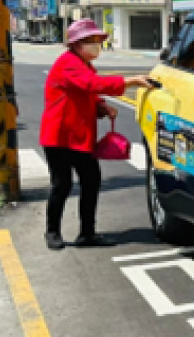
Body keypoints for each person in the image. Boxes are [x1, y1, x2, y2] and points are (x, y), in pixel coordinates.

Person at [39, 19, 153, 250]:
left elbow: (86, 92)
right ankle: (52, 231)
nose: (96, 46)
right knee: (61, 184)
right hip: (59, 136)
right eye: (90, 42)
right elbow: (92, 85)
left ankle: (87, 233)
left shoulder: (83, 63)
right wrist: (130, 81)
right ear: (76, 44)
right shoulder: (68, 63)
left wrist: (101, 106)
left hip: (79, 135)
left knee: (91, 181)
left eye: (98, 41)